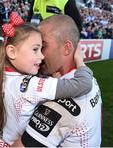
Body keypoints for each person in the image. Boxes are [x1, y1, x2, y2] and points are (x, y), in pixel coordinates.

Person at [0, 12, 93, 146]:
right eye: (35, 49)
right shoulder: (31, 85)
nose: (42, 56)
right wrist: (80, 61)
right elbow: (83, 84)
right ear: (12, 52)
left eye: (42, 48)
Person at [13, 15, 102, 147]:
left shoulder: (57, 103)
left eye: (42, 47)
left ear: (66, 48)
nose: (39, 55)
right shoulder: (90, 78)